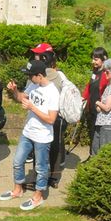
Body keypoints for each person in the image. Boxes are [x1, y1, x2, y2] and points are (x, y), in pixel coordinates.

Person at [0, 59, 59, 211]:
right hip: (28, 132)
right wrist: (14, 90)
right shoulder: (34, 84)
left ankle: (38, 197)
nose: (28, 78)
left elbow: (51, 119)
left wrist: (32, 107)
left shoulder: (52, 92)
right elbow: (21, 98)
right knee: (17, 162)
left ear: (39, 75)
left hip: (42, 136)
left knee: (41, 167)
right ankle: (18, 190)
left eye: (30, 75)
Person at [31, 43, 67, 187]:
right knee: (52, 147)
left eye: (38, 54)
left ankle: (46, 177)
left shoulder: (53, 75)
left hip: (51, 116)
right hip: (45, 117)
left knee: (50, 148)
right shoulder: (57, 75)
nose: (35, 56)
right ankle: (50, 177)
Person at [82, 47, 109, 139]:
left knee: (97, 133)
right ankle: (92, 151)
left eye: (96, 59)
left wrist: (101, 105)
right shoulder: (95, 71)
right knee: (92, 131)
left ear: (104, 59)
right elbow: (89, 86)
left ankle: (94, 152)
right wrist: (83, 97)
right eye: (93, 59)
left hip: (100, 108)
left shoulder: (107, 74)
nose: (93, 61)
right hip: (92, 107)